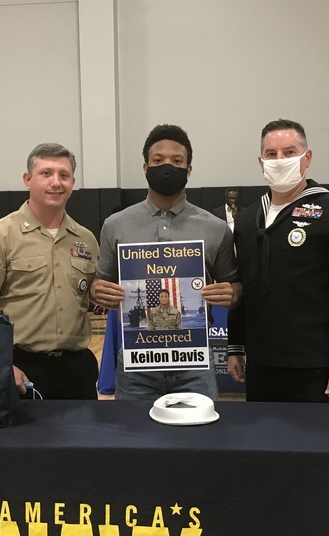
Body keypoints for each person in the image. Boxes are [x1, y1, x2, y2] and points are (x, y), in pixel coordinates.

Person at [226, 119, 329, 422]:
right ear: (261, 162)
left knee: (320, 448)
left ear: (307, 157)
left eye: (289, 152)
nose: (280, 160)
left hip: (317, 367)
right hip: (261, 365)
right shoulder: (248, 219)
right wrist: (236, 347)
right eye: (271, 154)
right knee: (265, 445)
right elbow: (243, 290)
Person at [91, 124, 240, 401]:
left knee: (199, 430)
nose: (167, 167)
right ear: (145, 168)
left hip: (195, 365)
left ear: (189, 169)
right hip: (136, 364)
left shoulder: (215, 228)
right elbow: (99, 283)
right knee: (134, 430)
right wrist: (97, 291)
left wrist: (233, 293)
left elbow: (235, 285)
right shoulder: (115, 225)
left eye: (177, 161)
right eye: (158, 160)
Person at [0, 143, 99, 399]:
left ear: (73, 182)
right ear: (28, 180)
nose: (56, 182)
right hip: (19, 369)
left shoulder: (86, 239)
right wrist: (0, 362)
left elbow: (89, 294)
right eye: (46, 173)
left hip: (77, 369)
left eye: (64, 175)